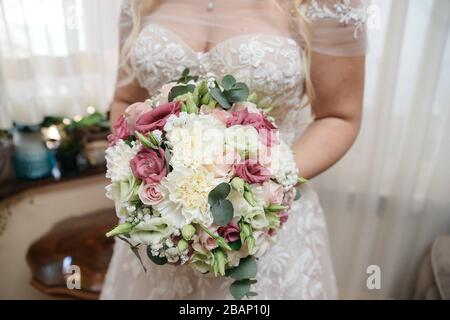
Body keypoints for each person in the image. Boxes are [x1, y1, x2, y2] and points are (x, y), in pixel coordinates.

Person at [102, 0, 366, 299]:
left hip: (263, 224)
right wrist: (145, 178)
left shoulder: (325, 4)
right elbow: (125, 102)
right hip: (162, 226)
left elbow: (340, 116)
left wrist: (259, 188)